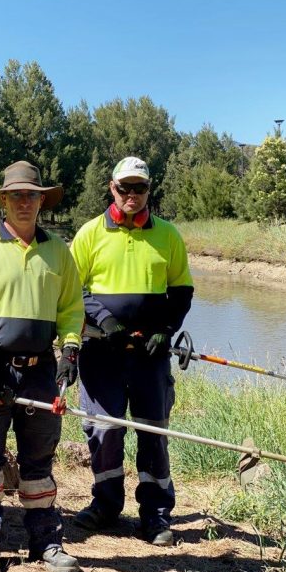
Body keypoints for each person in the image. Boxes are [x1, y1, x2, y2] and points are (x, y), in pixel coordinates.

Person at [0, 161, 85, 572]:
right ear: (4, 201)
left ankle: (46, 542)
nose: (25, 202)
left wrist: (69, 351)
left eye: (32, 195)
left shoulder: (58, 250)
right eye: (17, 196)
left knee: (39, 458)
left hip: (41, 371)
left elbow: (71, 308)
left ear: (41, 200)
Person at [69, 156, 194, 547]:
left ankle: (155, 514)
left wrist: (165, 330)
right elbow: (73, 289)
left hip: (149, 356)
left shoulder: (168, 235)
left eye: (139, 188)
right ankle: (106, 505)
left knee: (152, 432)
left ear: (148, 190)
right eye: (125, 188)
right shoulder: (89, 233)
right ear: (112, 188)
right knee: (103, 430)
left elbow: (182, 292)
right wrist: (104, 320)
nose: (132, 195)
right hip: (100, 353)